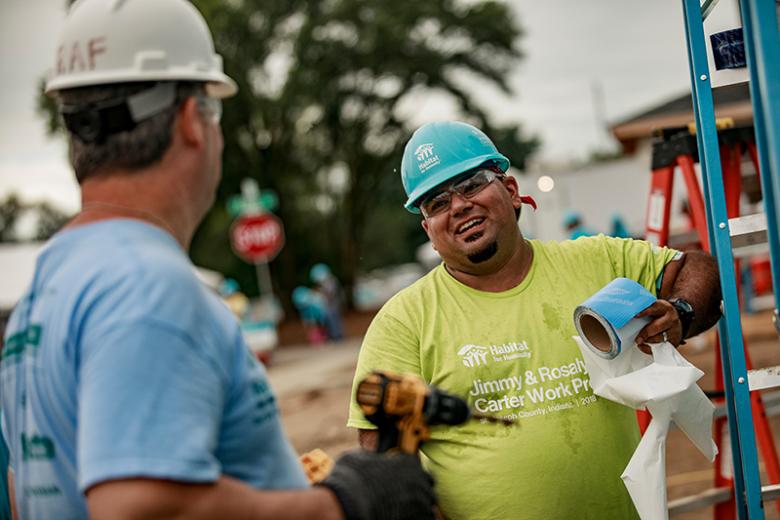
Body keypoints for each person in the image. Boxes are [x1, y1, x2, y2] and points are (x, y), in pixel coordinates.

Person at [0, 1, 435, 519]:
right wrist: (337, 505)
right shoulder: (145, 286)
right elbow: (138, 508)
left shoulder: (47, 290)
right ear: (191, 119)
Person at [347, 121, 722, 520]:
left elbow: (698, 269)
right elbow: (379, 456)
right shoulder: (404, 322)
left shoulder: (597, 263)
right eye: (437, 203)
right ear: (428, 230)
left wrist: (680, 313)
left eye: (472, 184)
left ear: (510, 191)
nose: (458, 205)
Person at [310, 263, 345, 341]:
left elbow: (331, 293)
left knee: (334, 321)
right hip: (329, 306)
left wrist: (321, 291)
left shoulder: (331, 281)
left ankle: (338, 336)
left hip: (334, 305)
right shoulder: (325, 283)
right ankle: (332, 336)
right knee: (329, 321)